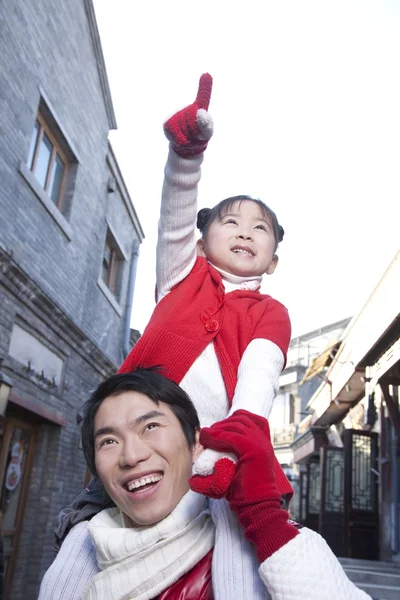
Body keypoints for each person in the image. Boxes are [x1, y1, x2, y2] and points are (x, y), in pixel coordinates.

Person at [55, 73, 293, 598]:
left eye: (260, 228)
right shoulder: (181, 274)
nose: (245, 232)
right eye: (230, 222)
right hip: (136, 432)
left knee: (233, 549)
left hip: (215, 446)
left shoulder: (271, 312)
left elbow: (259, 375)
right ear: (203, 241)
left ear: (273, 259)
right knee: (84, 540)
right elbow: (176, 214)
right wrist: (187, 157)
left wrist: (238, 443)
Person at [40, 369, 371, 599]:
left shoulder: (269, 542)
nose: (131, 455)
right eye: (108, 441)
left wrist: (266, 521)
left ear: (196, 443)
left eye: (150, 427)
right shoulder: (81, 550)